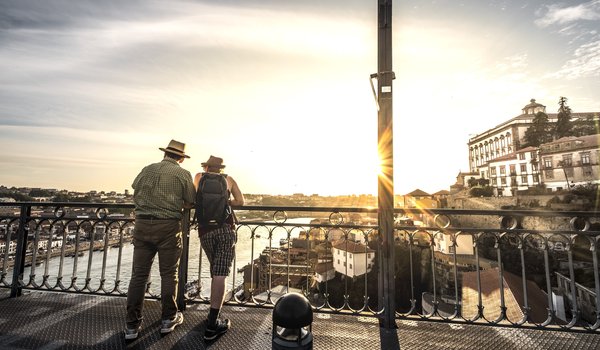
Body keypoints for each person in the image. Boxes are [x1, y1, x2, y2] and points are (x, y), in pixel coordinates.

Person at [124, 139, 196, 340]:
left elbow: (135, 191)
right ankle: (168, 319)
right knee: (168, 274)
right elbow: (190, 201)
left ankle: (132, 325)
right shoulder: (182, 174)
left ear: (165, 153)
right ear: (181, 158)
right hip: (168, 227)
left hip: (142, 224)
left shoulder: (147, 169)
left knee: (138, 276)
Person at [194, 155, 244, 341]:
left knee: (215, 270)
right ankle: (213, 322)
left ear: (206, 167)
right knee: (221, 273)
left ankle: (212, 316)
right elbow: (241, 202)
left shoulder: (199, 177)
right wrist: (226, 202)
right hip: (225, 229)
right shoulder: (228, 180)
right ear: (220, 168)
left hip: (205, 231)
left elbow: (194, 200)